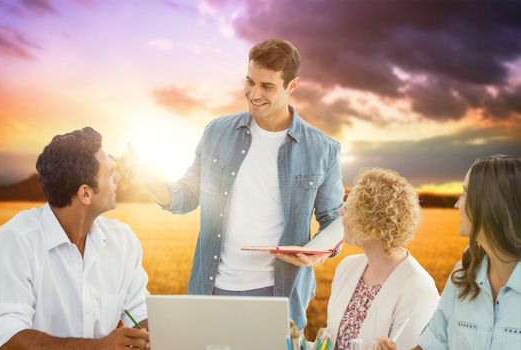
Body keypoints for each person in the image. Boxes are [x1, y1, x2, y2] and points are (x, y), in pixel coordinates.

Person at [124, 39, 343, 329]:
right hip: (213, 289)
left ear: (292, 86)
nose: (254, 94)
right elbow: (186, 195)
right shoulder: (217, 132)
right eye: (250, 82)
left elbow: (333, 221)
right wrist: (148, 179)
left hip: (279, 295)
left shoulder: (323, 149)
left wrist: (317, 254)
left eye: (267, 86)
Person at [0, 127, 150, 349]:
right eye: (109, 173)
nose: (117, 178)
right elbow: (6, 337)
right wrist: (97, 347)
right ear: (85, 193)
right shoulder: (15, 241)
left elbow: (140, 313)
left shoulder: (123, 241)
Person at [377, 154, 521, 350]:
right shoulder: (462, 276)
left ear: (490, 203)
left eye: (465, 193)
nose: (457, 205)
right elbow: (433, 344)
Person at [323, 168, 439, 350]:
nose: (340, 214)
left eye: (347, 208)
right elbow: (330, 343)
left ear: (372, 222)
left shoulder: (419, 288)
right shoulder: (346, 267)